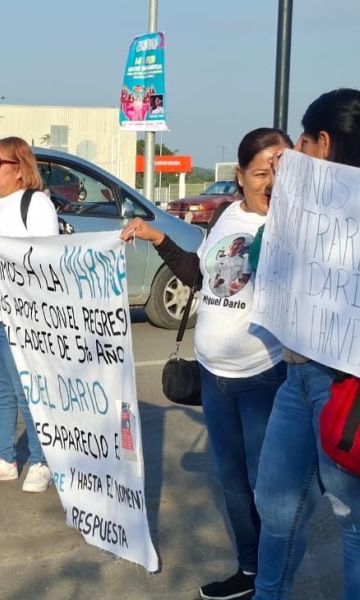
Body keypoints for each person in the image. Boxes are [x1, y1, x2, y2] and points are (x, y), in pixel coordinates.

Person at [121, 127, 293, 600]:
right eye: (262, 172)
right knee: (233, 483)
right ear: (240, 175)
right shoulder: (226, 214)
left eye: (282, 170)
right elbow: (201, 276)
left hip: (264, 376)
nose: (272, 181)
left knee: (270, 490)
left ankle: (273, 584)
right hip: (214, 375)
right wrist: (157, 236)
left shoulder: (293, 225)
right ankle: (251, 571)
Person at [252, 89, 360, 600]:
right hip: (296, 376)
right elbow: (257, 262)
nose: (295, 152)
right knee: (274, 504)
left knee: (351, 518)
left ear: (323, 142)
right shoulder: (301, 205)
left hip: (346, 389)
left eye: (302, 141)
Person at [0, 137, 57, 492]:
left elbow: (44, 257)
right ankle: (4, 458)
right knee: (0, 391)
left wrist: (2, 238)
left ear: (20, 169)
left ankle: (41, 461)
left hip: (17, 316)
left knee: (26, 392)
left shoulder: (35, 204)